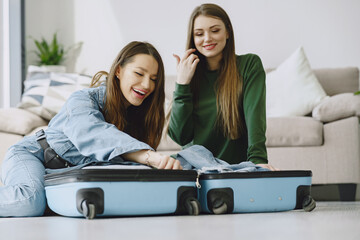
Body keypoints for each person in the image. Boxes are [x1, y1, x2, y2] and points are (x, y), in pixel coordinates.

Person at [0, 41, 182, 217]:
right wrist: (147, 156)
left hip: (66, 173)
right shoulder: (83, 99)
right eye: (139, 74)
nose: (147, 85)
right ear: (118, 71)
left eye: (153, 79)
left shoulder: (140, 118)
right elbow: (91, 131)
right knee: (30, 201)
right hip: (33, 155)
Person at [169, 3, 277, 170]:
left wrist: (258, 162)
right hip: (196, 167)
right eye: (199, 34)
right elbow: (180, 137)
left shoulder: (249, 65)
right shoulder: (189, 75)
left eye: (215, 30)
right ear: (193, 38)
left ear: (227, 32)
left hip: (235, 168)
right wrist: (182, 84)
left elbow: (255, 118)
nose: (207, 38)